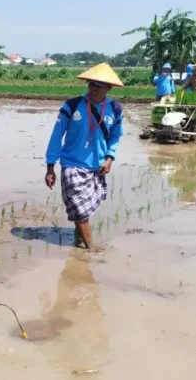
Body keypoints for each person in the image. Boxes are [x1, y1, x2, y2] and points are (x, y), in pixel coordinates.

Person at [44, 63, 124, 252]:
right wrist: (50, 166)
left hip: (97, 166)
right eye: (91, 84)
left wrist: (109, 159)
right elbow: (57, 135)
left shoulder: (115, 109)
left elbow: (115, 136)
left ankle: (79, 240)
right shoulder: (71, 106)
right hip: (71, 164)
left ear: (109, 88)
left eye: (99, 85)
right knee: (79, 209)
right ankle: (90, 246)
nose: (94, 89)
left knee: (83, 208)